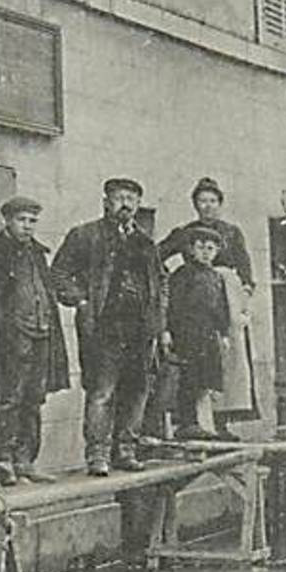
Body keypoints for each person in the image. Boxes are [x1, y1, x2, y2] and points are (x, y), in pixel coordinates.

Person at [51, 177, 169, 477]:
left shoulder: (145, 242)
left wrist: (158, 322)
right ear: (106, 201)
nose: (126, 204)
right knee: (102, 392)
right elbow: (59, 274)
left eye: (132, 199)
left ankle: (125, 450)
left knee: (137, 391)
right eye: (120, 197)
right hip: (103, 329)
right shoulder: (85, 235)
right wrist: (81, 303)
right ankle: (98, 455)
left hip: (139, 330)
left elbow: (160, 282)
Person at [0, 196, 70, 486]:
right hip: (10, 338)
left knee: (34, 398)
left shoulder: (37, 253)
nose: (28, 226)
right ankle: (1, 460)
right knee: (10, 398)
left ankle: (25, 460)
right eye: (22, 220)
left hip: (40, 334)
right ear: (8, 220)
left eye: (32, 221)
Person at [158, 178, 259, 435]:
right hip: (193, 299)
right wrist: (165, 279)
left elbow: (245, 269)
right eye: (202, 201)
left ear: (220, 204)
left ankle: (221, 423)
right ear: (195, 204)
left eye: (213, 201)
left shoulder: (232, 232)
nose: (208, 206)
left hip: (225, 299)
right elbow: (157, 255)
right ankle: (196, 422)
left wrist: (244, 293)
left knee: (227, 360)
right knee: (194, 362)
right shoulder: (185, 233)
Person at [166, 226, 232, 440]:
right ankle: (187, 423)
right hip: (186, 334)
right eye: (201, 247)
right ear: (191, 250)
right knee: (189, 379)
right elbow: (172, 305)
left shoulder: (216, 277)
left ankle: (205, 423)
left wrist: (223, 333)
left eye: (211, 248)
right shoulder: (182, 275)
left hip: (208, 335)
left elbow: (222, 307)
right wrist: (168, 331)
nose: (205, 252)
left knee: (206, 380)